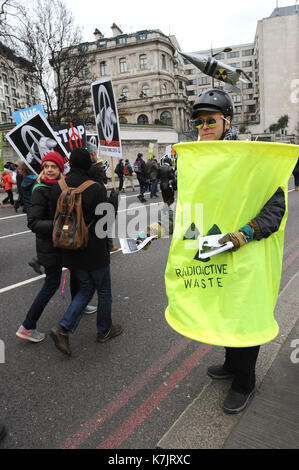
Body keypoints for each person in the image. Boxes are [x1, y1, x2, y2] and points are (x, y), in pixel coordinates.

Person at [138, 88, 286, 414]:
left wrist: (244, 234)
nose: (204, 126)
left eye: (210, 120)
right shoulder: (199, 165)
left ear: (226, 121)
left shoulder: (252, 159)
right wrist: (159, 227)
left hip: (247, 254)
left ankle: (245, 381)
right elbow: (193, 211)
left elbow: (276, 207)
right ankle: (232, 364)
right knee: (224, 312)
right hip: (217, 253)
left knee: (244, 318)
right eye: (199, 121)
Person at [49, 148, 122, 356]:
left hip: (70, 248)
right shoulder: (95, 188)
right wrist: (113, 203)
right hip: (94, 250)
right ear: (87, 165)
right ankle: (104, 330)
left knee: (85, 287)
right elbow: (105, 224)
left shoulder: (58, 187)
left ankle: (63, 328)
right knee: (104, 290)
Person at [16, 152, 65, 342]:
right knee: (51, 284)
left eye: (54, 166)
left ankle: (80, 303)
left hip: (60, 243)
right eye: (46, 167)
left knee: (78, 272)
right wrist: (58, 226)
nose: (50, 170)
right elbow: (33, 222)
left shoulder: (60, 186)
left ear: (60, 169)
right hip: (50, 246)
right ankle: (27, 326)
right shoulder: (41, 189)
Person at [86, 143, 118, 253]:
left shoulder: (84, 169)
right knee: (105, 224)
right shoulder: (96, 170)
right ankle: (109, 245)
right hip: (99, 206)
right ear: (93, 154)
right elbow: (99, 190)